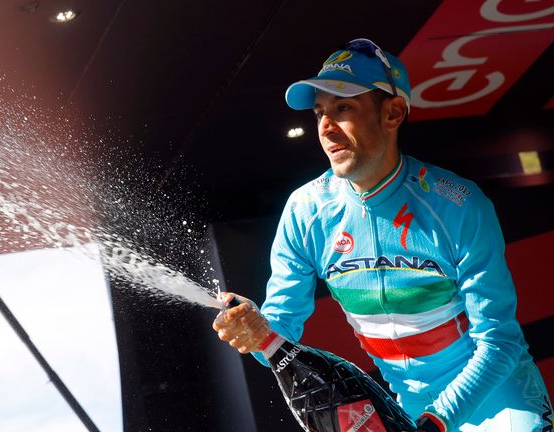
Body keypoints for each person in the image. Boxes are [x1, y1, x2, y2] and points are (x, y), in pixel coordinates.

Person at [212, 38, 552, 432]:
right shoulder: (305, 210)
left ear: (392, 113)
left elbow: (500, 343)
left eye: (343, 108)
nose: (325, 126)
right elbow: (277, 337)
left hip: (498, 398)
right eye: (319, 111)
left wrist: (436, 422)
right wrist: (255, 330)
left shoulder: (458, 205)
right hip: (409, 408)